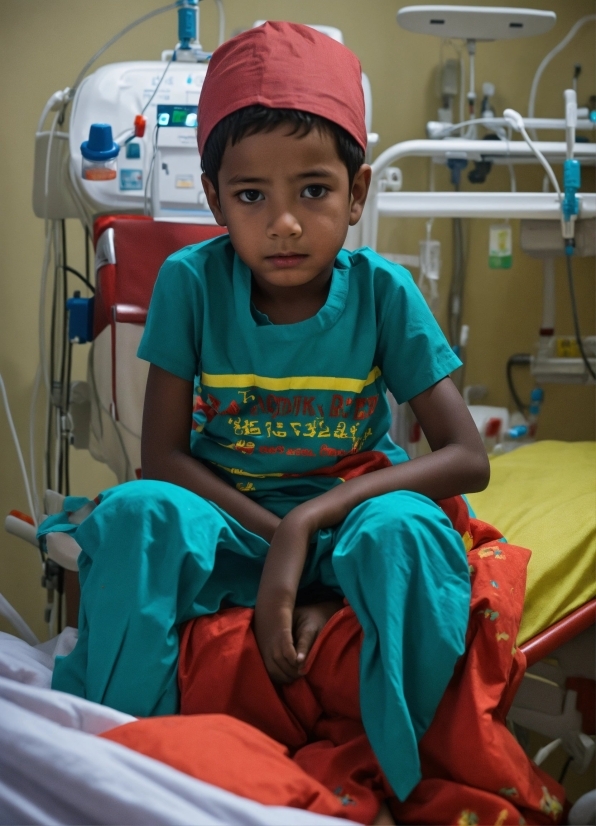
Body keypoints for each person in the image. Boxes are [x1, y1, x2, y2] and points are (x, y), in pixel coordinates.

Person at [44, 20, 489, 807]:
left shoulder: (384, 294)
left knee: (408, 536)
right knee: (137, 518)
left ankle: (397, 775)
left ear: (356, 194)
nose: (283, 222)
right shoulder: (192, 282)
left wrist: (307, 523)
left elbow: (466, 457)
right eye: (251, 195)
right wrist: (272, 535)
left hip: (348, 517)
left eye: (313, 190)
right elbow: (164, 459)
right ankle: (121, 767)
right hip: (230, 524)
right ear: (214, 198)